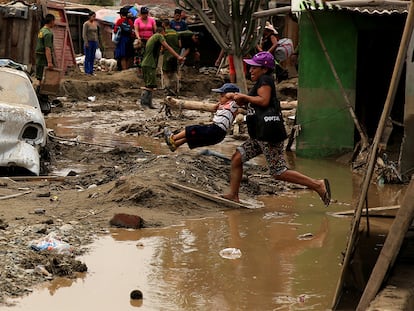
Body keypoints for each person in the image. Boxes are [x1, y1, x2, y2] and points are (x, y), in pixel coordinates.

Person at [222, 51, 332, 207]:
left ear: (265, 69)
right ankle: (233, 195)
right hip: (259, 136)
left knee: (278, 172)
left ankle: (317, 184)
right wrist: (240, 100)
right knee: (237, 158)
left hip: (268, 135)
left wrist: (245, 97)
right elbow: (256, 103)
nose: (251, 70)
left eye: (255, 67)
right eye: (251, 67)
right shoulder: (261, 82)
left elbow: (264, 100)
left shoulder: (265, 80)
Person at [164, 83, 241, 152]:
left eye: (222, 96)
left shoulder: (232, 105)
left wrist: (230, 95)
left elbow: (238, 98)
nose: (219, 98)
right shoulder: (222, 105)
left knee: (193, 129)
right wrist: (218, 105)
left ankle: (173, 138)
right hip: (218, 134)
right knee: (193, 136)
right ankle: (176, 144)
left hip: (216, 130)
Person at [140, 26, 185, 109]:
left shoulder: (152, 38)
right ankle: (144, 104)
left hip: (146, 63)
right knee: (150, 85)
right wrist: (178, 56)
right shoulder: (159, 36)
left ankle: (149, 104)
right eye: (165, 33)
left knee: (151, 84)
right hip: (149, 63)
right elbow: (168, 47)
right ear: (162, 32)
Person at [35, 13, 56, 114]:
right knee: (44, 80)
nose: (54, 23)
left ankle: (37, 100)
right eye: (54, 21)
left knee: (39, 79)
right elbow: (47, 49)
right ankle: (42, 102)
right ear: (51, 21)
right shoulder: (48, 33)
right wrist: (50, 62)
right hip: (43, 58)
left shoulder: (41, 31)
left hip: (38, 57)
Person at [161, 19, 181, 93]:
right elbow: (180, 45)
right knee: (174, 71)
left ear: (163, 24)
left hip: (167, 55)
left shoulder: (164, 33)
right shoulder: (176, 33)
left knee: (165, 72)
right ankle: (177, 88)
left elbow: (163, 45)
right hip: (175, 55)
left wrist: (161, 51)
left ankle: (167, 87)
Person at [82, 11, 99, 75]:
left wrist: (97, 41)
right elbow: (84, 34)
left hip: (94, 41)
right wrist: (86, 42)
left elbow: (96, 33)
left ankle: (91, 70)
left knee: (92, 57)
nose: (94, 18)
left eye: (95, 17)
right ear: (89, 16)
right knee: (88, 57)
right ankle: (87, 71)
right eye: (93, 16)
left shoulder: (95, 24)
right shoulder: (86, 24)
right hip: (89, 41)